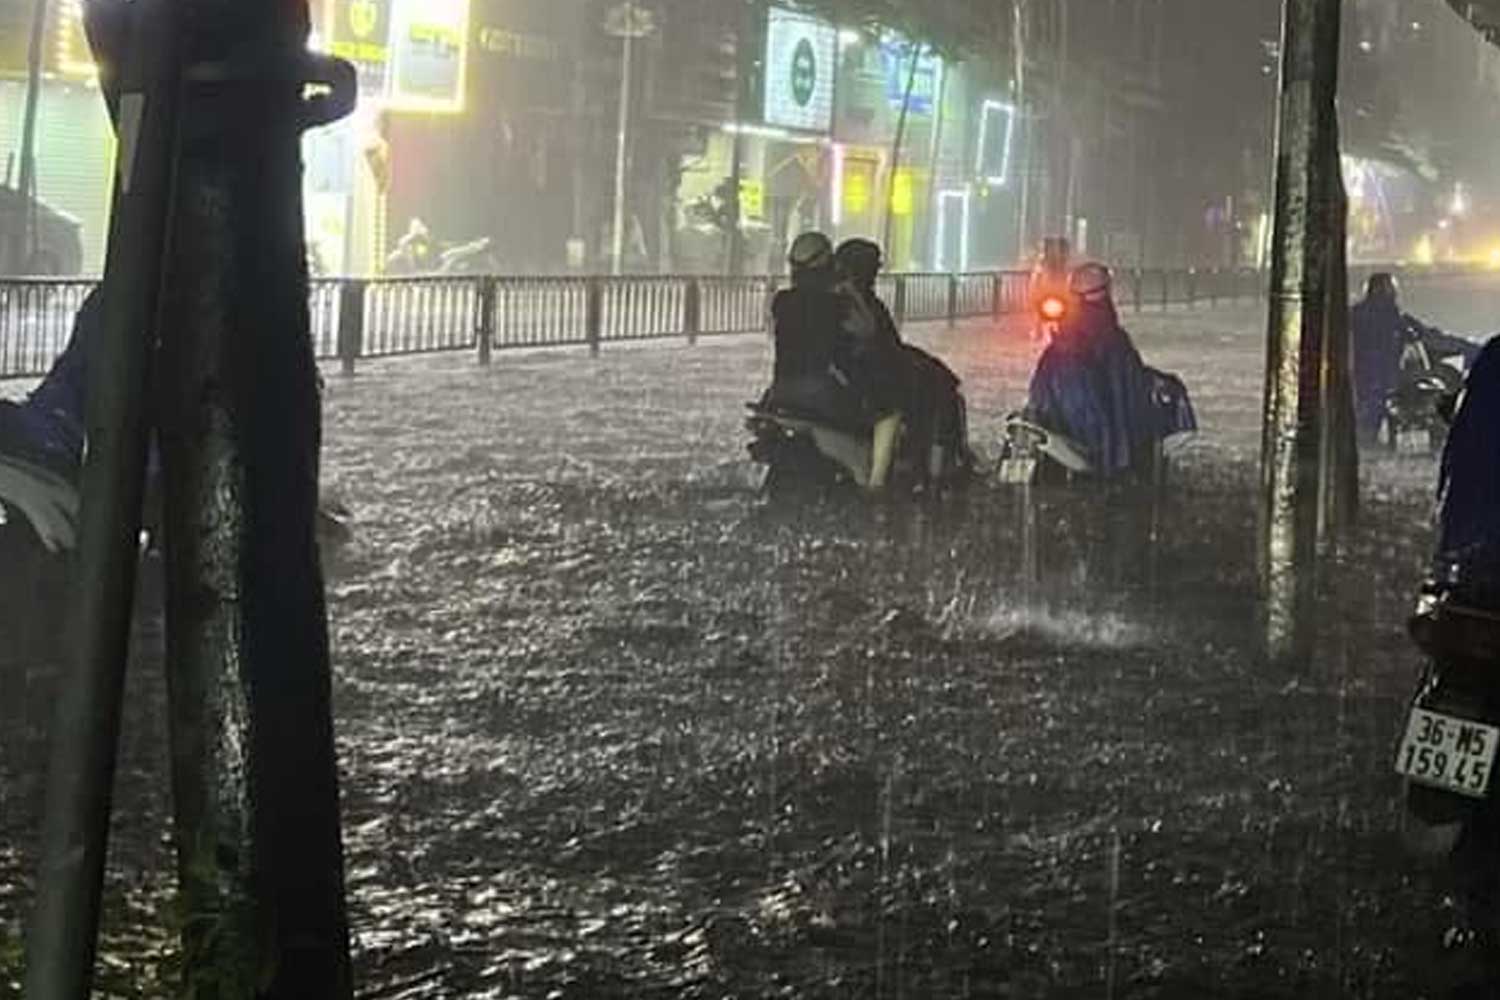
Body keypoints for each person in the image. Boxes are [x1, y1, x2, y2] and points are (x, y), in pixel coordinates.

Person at [1025, 262, 1191, 478]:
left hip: (1065, 414)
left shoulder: (1062, 342)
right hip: (1094, 424)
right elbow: (1127, 381)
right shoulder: (1111, 339)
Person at [765, 232, 903, 488]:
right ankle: (876, 485)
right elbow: (869, 330)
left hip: (781, 393)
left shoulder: (782, 301)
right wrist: (850, 292)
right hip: (823, 395)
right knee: (889, 408)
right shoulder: (839, 304)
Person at [834, 237, 973, 483]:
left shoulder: (860, 299)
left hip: (874, 372)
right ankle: (921, 471)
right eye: (872, 266)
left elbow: (887, 344)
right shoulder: (848, 300)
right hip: (870, 380)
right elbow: (875, 342)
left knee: (937, 380)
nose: (876, 272)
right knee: (932, 390)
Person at [1352, 272, 1481, 444]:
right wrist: (1472, 349)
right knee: (1444, 380)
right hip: (1383, 380)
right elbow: (1433, 339)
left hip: (1365, 381)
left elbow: (1430, 337)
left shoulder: (1353, 316)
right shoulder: (1394, 319)